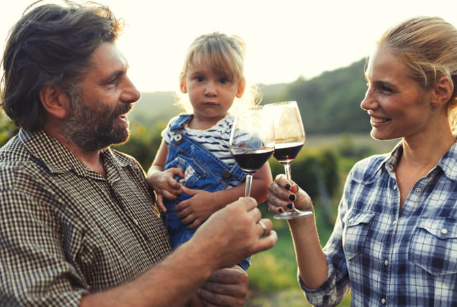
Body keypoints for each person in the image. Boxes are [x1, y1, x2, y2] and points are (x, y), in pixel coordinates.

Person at [0, 1, 277, 307]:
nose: (134, 93)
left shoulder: (127, 169)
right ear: (55, 99)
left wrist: (200, 291)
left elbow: (159, 281)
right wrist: (202, 255)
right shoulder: (14, 185)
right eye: (112, 81)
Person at [267, 16, 457, 307]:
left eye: (385, 88)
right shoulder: (363, 177)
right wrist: (300, 217)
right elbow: (325, 293)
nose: (366, 102)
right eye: (369, 85)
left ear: (440, 92)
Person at [146, 32, 272, 265]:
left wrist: (215, 201)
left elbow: (263, 185)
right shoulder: (176, 127)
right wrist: (157, 178)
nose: (210, 90)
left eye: (222, 80)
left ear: (239, 88)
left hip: (220, 241)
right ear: (184, 83)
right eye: (200, 78)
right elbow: (155, 167)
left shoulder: (240, 134)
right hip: (167, 237)